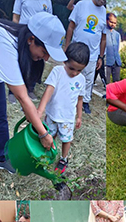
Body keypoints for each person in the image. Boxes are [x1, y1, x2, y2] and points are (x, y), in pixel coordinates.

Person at [0, 12, 64, 180]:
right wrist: (44, 134)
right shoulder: (3, 44)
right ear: (31, 39)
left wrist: (35, 119)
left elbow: (24, 101)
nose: (46, 57)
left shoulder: (20, 42)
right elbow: (23, 98)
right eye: (44, 51)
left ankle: (3, 156)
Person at [37, 42, 91, 179]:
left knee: (67, 139)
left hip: (67, 117)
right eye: (71, 68)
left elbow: (80, 99)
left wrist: (79, 117)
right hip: (52, 114)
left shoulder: (82, 79)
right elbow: (49, 90)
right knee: (50, 136)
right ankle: (47, 155)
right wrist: (40, 110)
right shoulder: (58, 71)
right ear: (65, 60)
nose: (74, 73)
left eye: (79, 70)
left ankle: (63, 158)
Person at [64, 0, 108, 114]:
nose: (103, 1)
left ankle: (85, 102)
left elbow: (103, 38)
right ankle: (68, 98)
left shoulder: (104, 12)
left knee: (88, 80)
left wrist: (101, 57)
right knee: (71, 75)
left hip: (93, 54)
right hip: (76, 51)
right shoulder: (81, 4)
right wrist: (67, 46)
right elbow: (71, 27)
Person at [11, 0, 53, 93]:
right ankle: (13, 91)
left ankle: (30, 89)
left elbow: (49, 20)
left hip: (39, 38)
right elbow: (16, 16)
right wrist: (17, 33)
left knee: (36, 61)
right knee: (20, 61)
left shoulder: (47, 1)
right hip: (24, 35)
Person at [102, 13, 123, 85]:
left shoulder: (117, 34)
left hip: (116, 61)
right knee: (107, 83)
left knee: (117, 83)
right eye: (111, 22)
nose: (113, 24)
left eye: (115, 23)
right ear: (107, 20)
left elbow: (117, 48)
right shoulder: (103, 32)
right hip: (106, 62)